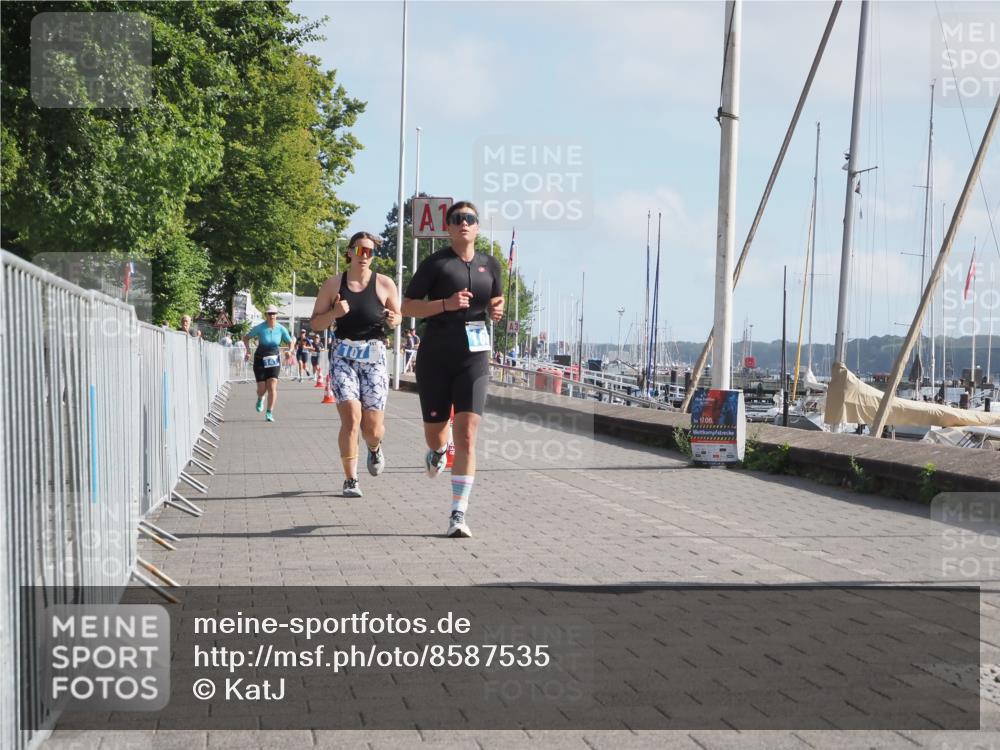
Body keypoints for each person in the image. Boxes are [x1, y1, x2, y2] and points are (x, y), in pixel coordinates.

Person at [401, 201, 504, 538]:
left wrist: (496, 309)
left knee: (469, 434)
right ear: (448, 227)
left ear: (478, 227)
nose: (464, 224)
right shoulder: (436, 264)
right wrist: (444, 304)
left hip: (474, 356)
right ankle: (439, 451)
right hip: (436, 356)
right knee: (436, 433)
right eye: (458, 219)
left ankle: (458, 514)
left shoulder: (491, 265)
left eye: (470, 219)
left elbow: (495, 301)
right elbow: (406, 306)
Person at [310, 231, 402, 498]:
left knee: (372, 429)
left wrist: (391, 319)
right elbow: (316, 323)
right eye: (360, 251)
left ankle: (374, 448)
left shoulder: (384, 284)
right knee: (351, 418)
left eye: (370, 252)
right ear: (349, 252)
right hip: (343, 356)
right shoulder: (332, 285)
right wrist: (334, 314)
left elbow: (398, 318)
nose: (364, 256)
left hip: (373, 356)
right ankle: (350, 480)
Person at [242, 305, 294, 422]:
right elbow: (246, 338)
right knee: (262, 389)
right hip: (260, 359)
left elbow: (291, 343)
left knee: (272, 385)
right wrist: (248, 351)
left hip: (274, 359)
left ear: (276, 315)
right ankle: (260, 398)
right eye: (269, 314)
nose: (272, 316)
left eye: (274, 313)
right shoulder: (260, 327)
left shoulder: (281, 328)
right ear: (266, 315)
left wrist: (289, 351)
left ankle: (269, 412)